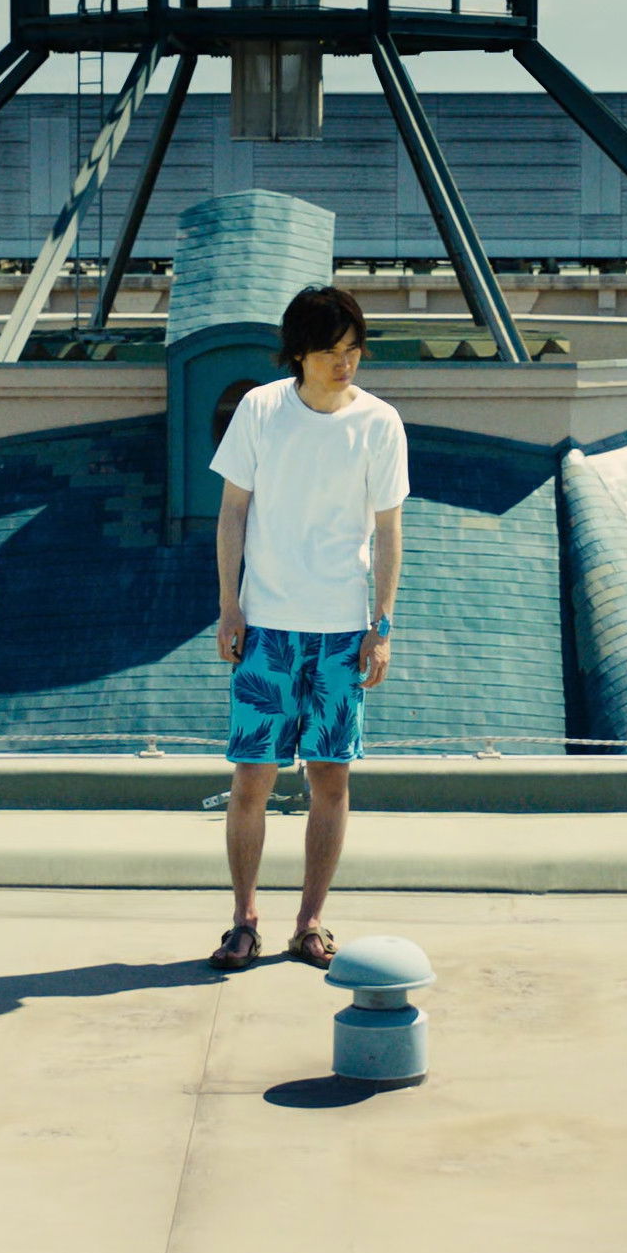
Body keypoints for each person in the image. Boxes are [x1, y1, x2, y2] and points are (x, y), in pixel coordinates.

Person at [206, 286, 405, 973]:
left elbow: (389, 530)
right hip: (266, 627)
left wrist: (381, 626)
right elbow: (233, 511)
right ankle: (244, 921)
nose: (345, 363)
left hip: (341, 633)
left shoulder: (380, 422)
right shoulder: (261, 410)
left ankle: (311, 923)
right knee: (251, 780)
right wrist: (229, 607)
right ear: (299, 354)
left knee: (331, 778)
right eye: (331, 352)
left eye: (354, 350)